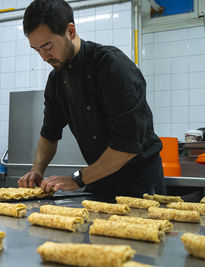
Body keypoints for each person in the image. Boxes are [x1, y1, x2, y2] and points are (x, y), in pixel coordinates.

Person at [17, 0, 166, 199]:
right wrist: (37, 170)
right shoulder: (56, 79)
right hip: (100, 179)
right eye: (37, 50)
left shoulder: (112, 66)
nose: (44, 57)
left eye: (48, 46)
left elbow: (128, 145)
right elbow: (49, 134)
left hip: (139, 182)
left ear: (70, 31)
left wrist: (77, 179)